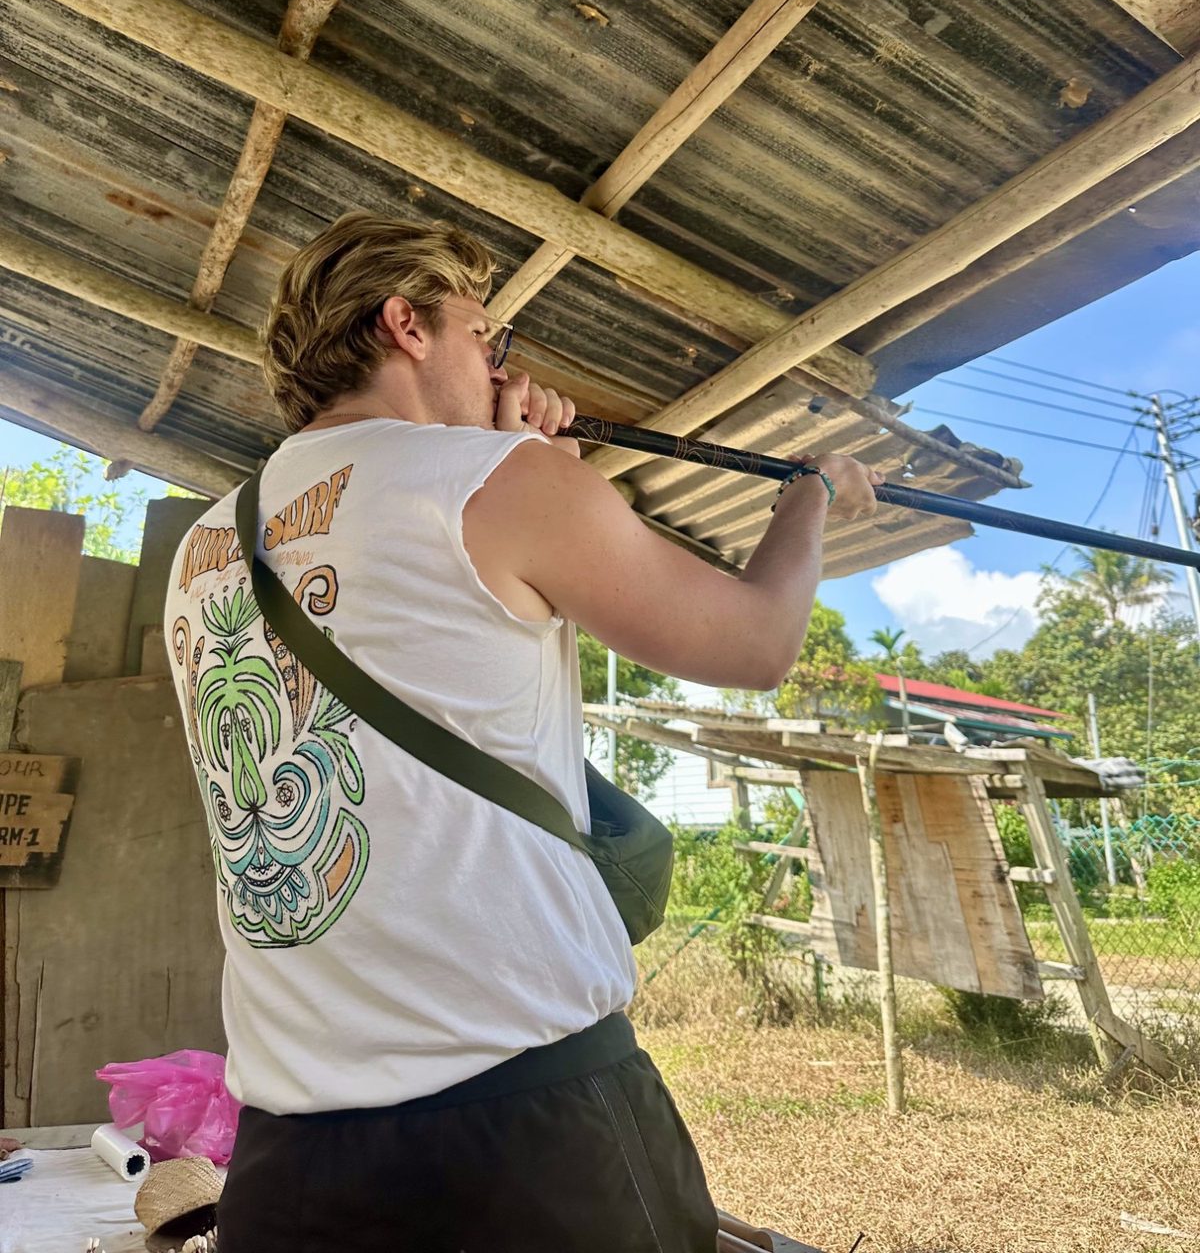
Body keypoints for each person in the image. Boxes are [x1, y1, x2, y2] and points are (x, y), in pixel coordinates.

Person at [163, 210, 881, 1253]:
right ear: (407, 324)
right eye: (484, 334)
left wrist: (501, 453)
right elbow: (760, 640)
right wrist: (808, 500)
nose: (498, 362)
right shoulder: (500, 485)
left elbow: (425, 640)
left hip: (288, 1161)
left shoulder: (201, 547)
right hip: (529, 1134)